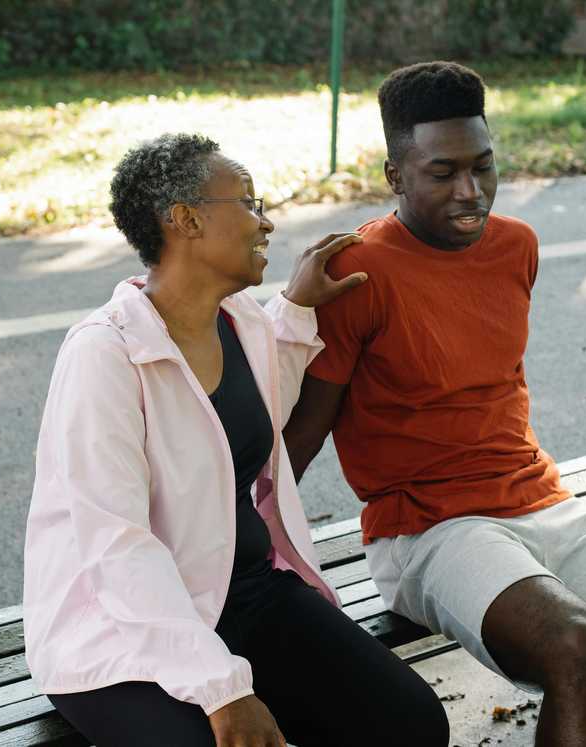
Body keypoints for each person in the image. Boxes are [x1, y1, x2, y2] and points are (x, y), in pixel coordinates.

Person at [283, 62, 586, 747]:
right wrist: (235, 558)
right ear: (395, 175)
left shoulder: (516, 246)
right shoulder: (359, 273)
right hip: (428, 530)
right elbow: (299, 437)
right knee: (577, 644)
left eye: (483, 165)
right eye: (442, 172)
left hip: (542, 502)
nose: (469, 191)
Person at [23, 133, 449, 747]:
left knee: (409, 723)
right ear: (186, 220)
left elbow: (241, 414)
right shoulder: (105, 355)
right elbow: (116, 547)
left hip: (247, 591)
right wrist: (222, 689)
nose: (266, 220)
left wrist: (298, 307)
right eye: (248, 202)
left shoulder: (242, 320)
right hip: (119, 625)